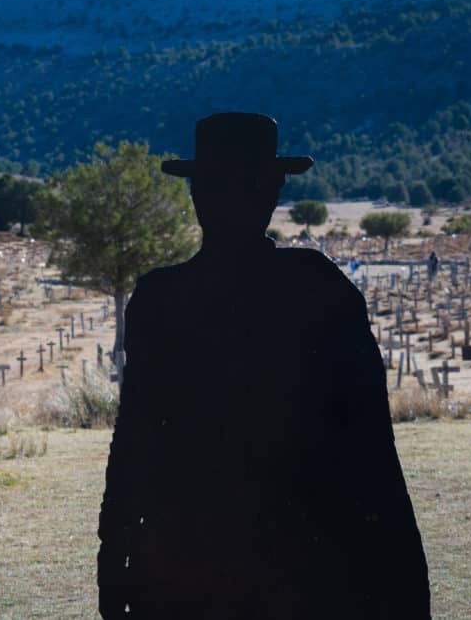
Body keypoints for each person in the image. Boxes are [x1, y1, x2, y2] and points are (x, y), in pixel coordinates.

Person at [97, 113, 429, 619]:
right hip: (301, 571)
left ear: (195, 195)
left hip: (180, 571)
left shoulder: (161, 299)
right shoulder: (320, 290)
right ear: (273, 192)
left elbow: (135, 443)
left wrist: (114, 552)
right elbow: (372, 457)